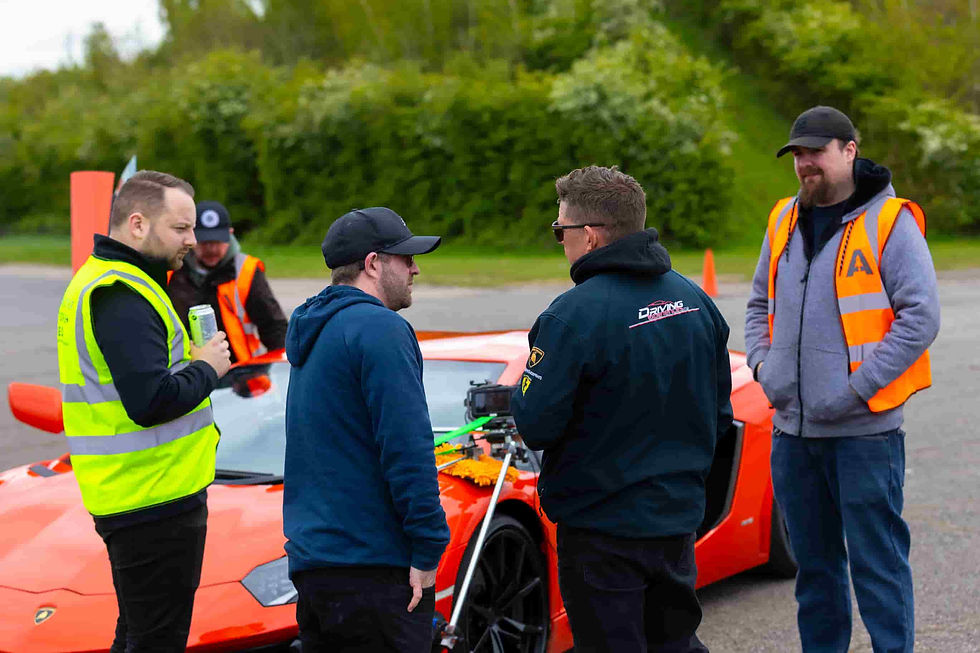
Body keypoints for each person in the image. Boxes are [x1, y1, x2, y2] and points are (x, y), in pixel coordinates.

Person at [511, 165, 733, 653]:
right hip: (676, 522)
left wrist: (517, 390)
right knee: (673, 641)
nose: (560, 242)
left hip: (601, 531)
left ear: (589, 237)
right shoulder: (695, 301)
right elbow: (721, 417)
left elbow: (536, 423)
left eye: (559, 231)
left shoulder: (571, 316)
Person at [744, 106, 940, 652]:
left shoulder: (890, 220)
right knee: (816, 575)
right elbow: (759, 302)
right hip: (793, 434)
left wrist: (856, 389)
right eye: (797, 154)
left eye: (816, 151)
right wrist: (765, 367)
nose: (805, 163)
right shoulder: (783, 218)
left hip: (864, 436)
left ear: (849, 150)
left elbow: (920, 315)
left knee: (878, 570)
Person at [56, 170, 231, 651]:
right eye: (181, 229)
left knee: (140, 633)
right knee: (157, 640)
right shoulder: (120, 292)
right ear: (137, 224)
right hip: (151, 499)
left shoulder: (113, 281)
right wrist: (208, 368)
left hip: (143, 494)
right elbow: (150, 401)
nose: (194, 241)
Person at [282, 207, 450, 652]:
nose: (415, 268)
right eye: (405, 258)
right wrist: (428, 545)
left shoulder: (314, 327)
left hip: (316, 562)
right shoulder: (380, 329)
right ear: (373, 263)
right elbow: (407, 448)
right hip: (374, 566)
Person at [167, 201, 288, 363]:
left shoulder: (246, 271)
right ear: (190, 237)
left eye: (217, 242)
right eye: (204, 242)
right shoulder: (171, 272)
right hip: (182, 375)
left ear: (230, 234)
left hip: (240, 374)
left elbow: (274, 328)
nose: (211, 249)